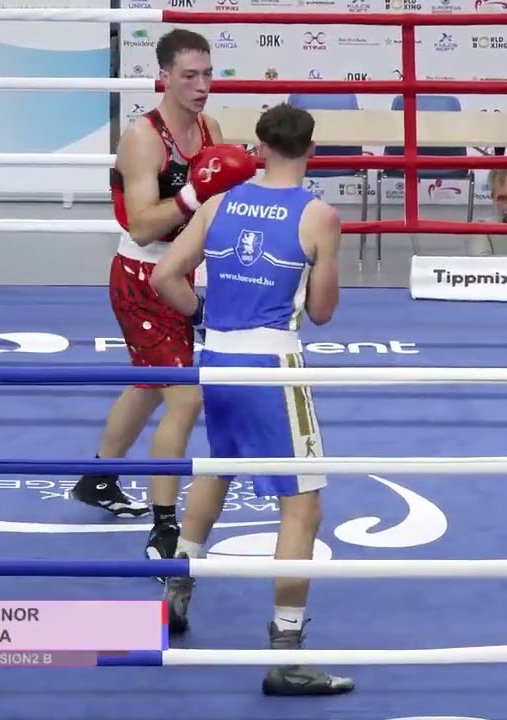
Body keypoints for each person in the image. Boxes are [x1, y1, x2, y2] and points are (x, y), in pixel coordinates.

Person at [150, 102, 353, 696]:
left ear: (258, 149)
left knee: (219, 466)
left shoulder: (218, 204)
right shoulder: (318, 215)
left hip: (217, 359)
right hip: (271, 367)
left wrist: (206, 318)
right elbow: (322, 312)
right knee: (302, 505)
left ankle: (176, 591)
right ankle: (286, 653)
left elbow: (164, 276)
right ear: (311, 150)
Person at [71, 29, 256, 573]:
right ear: (165, 77)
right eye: (189, 76)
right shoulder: (143, 138)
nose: (201, 86)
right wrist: (195, 193)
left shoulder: (211, 129)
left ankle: (98, 477)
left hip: (183, 271)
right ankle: (165, 523)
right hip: (140, 278)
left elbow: (215, 209)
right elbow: (142, 224)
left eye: (207, 74)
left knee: (151, 382)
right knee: (186, 398)